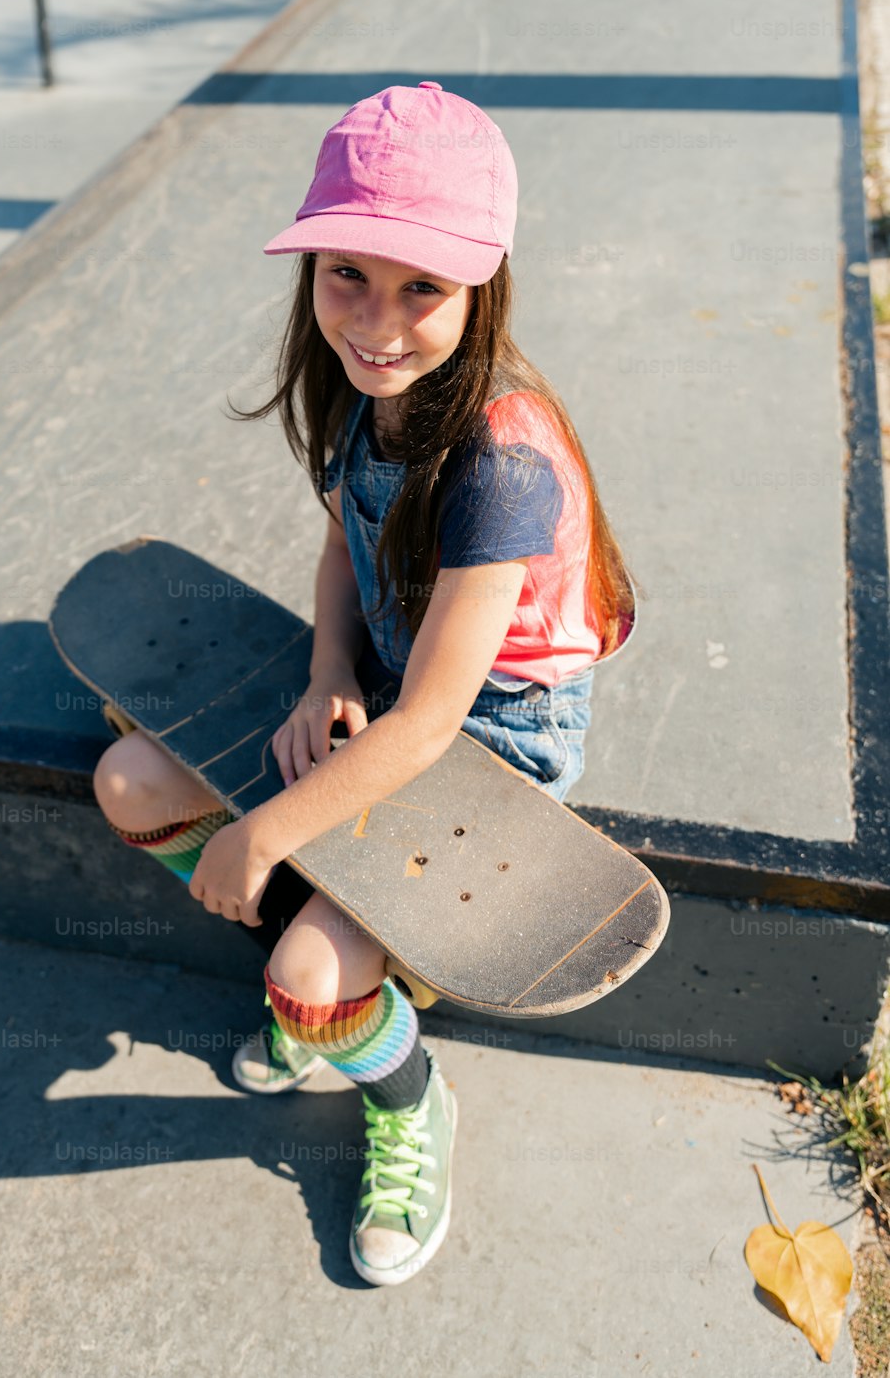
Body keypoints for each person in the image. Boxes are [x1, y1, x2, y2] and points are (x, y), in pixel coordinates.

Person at [92, 81, 638, 1288]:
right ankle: (319, 981)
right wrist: (325, 669)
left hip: (488, 741)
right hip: (384, 686)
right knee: (131, 778)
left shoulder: (498, 461)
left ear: (480, 285)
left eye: (421, 290)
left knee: (306, 973)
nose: (377, 322)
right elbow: (344, 541)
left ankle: (405, 1096)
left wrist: (269, 833)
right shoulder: (364, 395)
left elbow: (441, 725)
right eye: (349, 275)